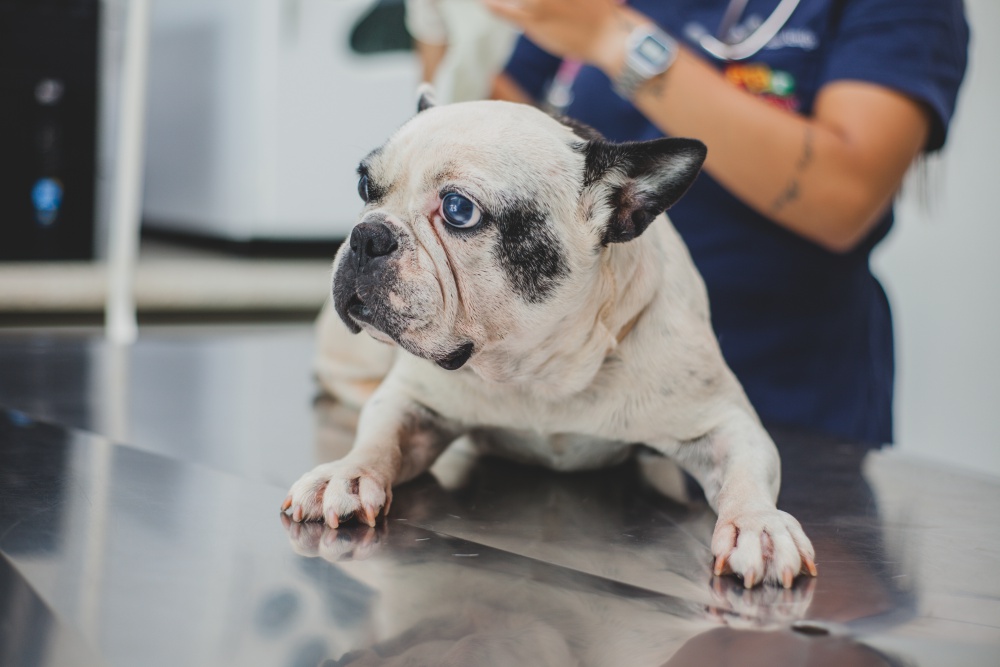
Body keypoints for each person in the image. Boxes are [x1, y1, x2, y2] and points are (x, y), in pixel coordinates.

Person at [483, 0, 969, 444]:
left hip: (784, 398)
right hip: (578, 391)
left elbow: (844, 198)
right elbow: (499, 109)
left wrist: (616, 40)